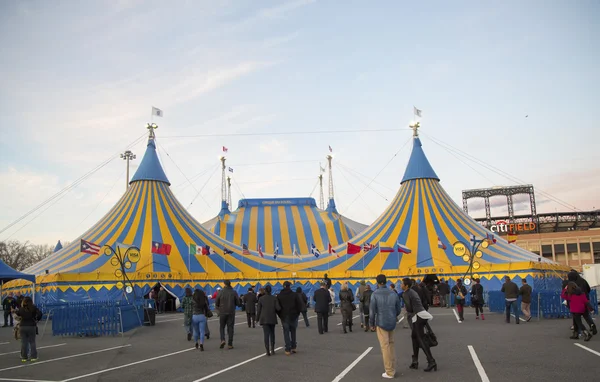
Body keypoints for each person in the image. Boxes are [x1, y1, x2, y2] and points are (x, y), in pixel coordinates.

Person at [369, 274, 402, 379]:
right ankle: (392, 368)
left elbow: (372, 311)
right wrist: (393, 315)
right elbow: (398, 309)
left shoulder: (375, 294)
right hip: (392, 322)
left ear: (377, 282)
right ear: (386, 281)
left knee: (385, 347)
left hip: (381, 322)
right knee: (391, 345)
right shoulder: (393, 293)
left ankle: (389, 371)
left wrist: (371, 324)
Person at [402, 278, 436, 372]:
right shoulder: (413, 291)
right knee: (414, 337)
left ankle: (431, 361)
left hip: (417, 316)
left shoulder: (406, 293)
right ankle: (415, 361)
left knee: (420, 339)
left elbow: (409, 308)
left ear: (406, 285)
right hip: (421, 314)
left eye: (402, 283)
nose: (401, 285)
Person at [277, 281, 303, 355]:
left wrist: (280, 315)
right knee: (293, 331)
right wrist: (297, 314)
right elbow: (299, 305)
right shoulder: (294, 295)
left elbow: (278, 307)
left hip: (284, 316)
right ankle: (293, 347)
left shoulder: (279, 295)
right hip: (293, 315)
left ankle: (287, 348)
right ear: (290, 286)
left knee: (286, 332)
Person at [215, 280, 241, 349]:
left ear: (224, 284)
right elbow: (238, 303)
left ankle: (222, 339)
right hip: (231, 312)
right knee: (230, 327)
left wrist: (219, 309)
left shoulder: (220, 292)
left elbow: (216, 302)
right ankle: (230, 344)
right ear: (230, 284)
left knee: (222, 327)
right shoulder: (234, 292)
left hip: (222, 312)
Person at [15, 297, 42, 362]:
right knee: (32, 342)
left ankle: (24, 357)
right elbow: (40, 314)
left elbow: (17, 314)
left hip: (22, 326)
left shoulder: (21, 309)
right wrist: (37, 319)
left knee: (24, 342)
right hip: (31, 326)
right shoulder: (33, 308)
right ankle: (33, 357)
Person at [256, 285, 281, 356]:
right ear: (271, 290)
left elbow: (259, 310)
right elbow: (278, 308)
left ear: (265, 291)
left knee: (266, 334)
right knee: (272, 334)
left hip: (264, 318)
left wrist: (257, 319)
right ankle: (272, 349)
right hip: (272, 317)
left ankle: (267, 351)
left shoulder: (261, 299)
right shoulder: (274, 298)